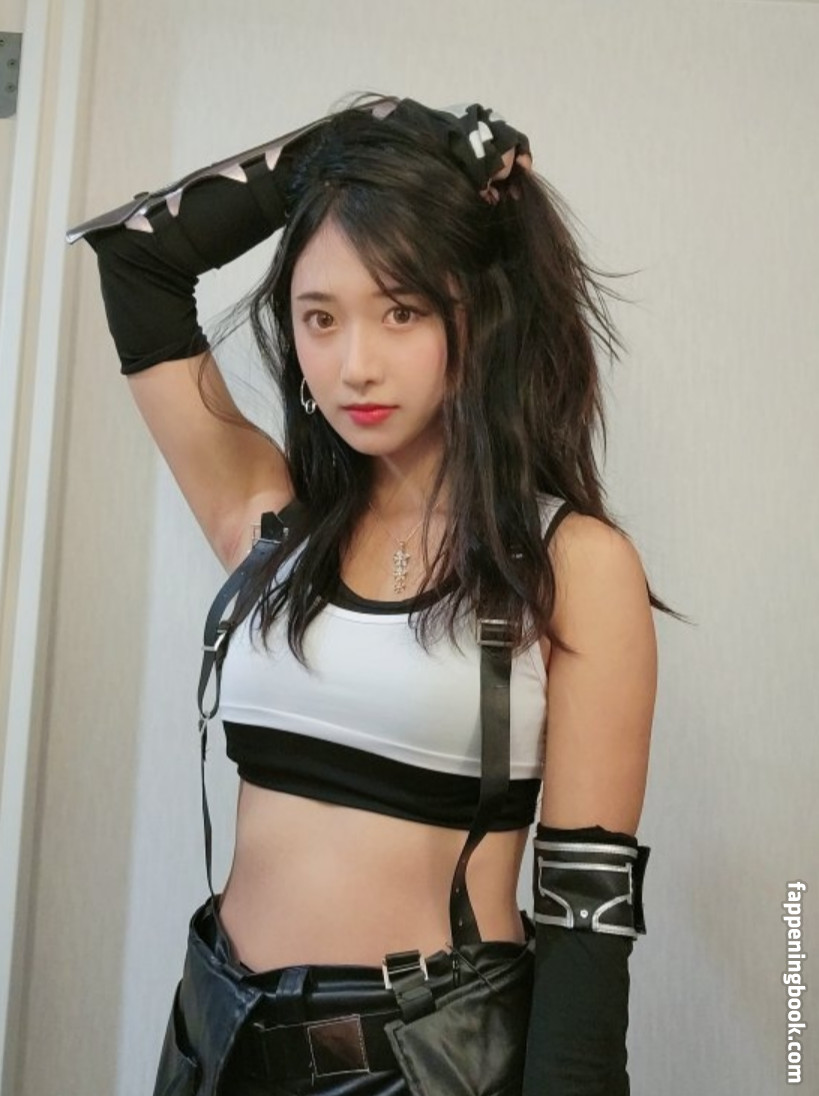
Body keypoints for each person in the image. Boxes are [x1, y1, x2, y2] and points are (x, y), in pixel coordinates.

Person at [69, 93, 671, 1096]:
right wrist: (361, 140)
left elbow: (586, 915)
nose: (354, 364)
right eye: (320, 317)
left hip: (423, 1065)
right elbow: (137, 256)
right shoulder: (270, 526)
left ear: (476, 318)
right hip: (214, 1046)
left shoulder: (571, 564)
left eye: (401, 311)